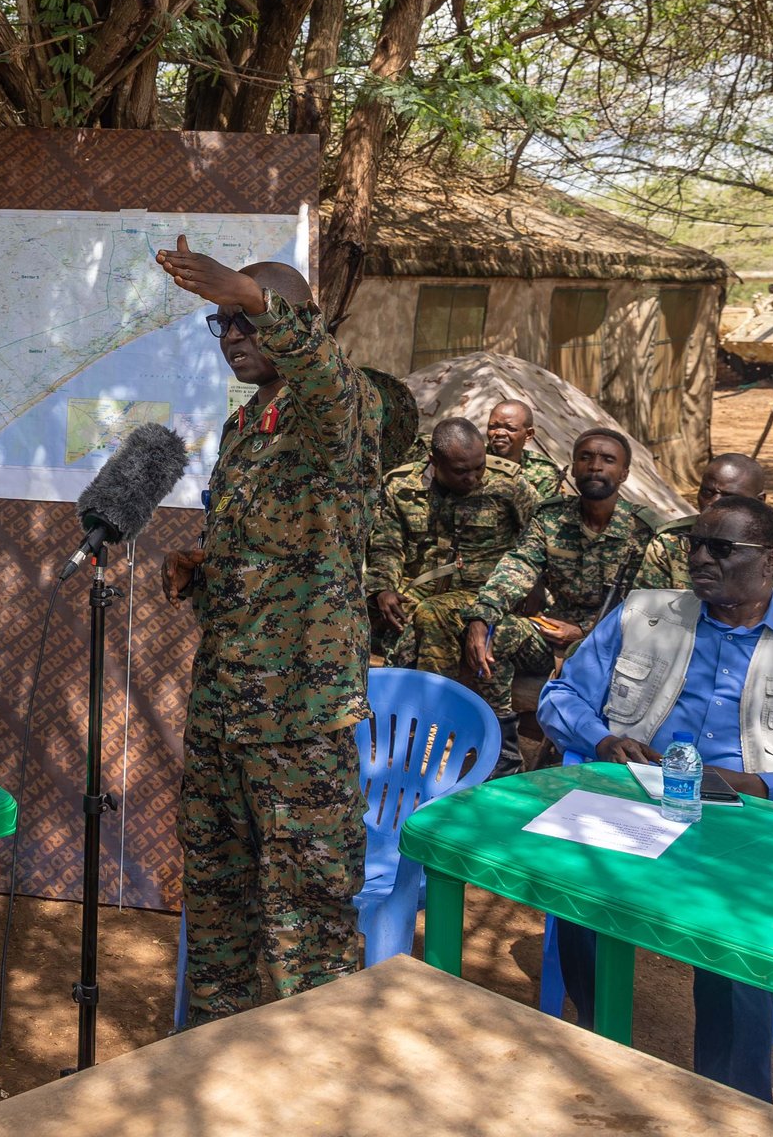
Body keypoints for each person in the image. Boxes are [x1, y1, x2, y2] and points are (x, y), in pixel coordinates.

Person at [538, 494, 773, 1102]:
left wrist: (764, 786)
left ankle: (730, 1103)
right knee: (580, 887)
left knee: (736, 937)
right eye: (694, 545)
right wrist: (602, 739)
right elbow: (561, 697)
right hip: (642, 804)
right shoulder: (644, 615)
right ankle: (603, 1047)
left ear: (772, 561)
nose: (700, 559)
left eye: (721, 548)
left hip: (757, 826)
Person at [152, 240, 379, 1021]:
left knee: (305, 909)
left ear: (294, 320)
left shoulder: (339, 413)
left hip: (297, 719)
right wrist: (205, 566)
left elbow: (326, 377)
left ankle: (308, 1066)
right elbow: (274, 545)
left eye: (245, 321)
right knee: (219, 892)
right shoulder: (246, 426)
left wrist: (253, 295)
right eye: (222, 324)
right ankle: (216, 1049)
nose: (234, 337)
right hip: (224, 706)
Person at [458, 428, 662, 741]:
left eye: (608, 460)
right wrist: (482, 616)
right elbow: (518, 566)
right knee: (494, 634)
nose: (595, 466)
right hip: (551, 636)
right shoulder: (551, 517)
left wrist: (586, 633)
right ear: (573, 468)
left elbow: (652, 614)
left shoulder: (645, 532)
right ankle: (500, 742)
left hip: (615, 649)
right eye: (586, 458)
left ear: (624, 473)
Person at [367, 419, 536, 674]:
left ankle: (435, 696)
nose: (473, 478)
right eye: (460, 471)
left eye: (479, 467)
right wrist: (382, 589)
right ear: (434, 462)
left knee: (431, 614)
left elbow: (538, 538)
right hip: (418, 588)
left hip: (479, 593)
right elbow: (387, 545)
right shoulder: (402, 488)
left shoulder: (508, 485)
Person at [637, 454, 773, 614]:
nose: (713, 503)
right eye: (707, 492)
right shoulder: (671, 541)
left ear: (759, 501)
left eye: (729, 497)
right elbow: (647, 612)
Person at [484, 400, 567, 504]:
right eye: (492, 427)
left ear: (528, 434)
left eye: (510, 428)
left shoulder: (543, 469)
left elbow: (550, 510)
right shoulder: (473, 459)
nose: (500, 433)